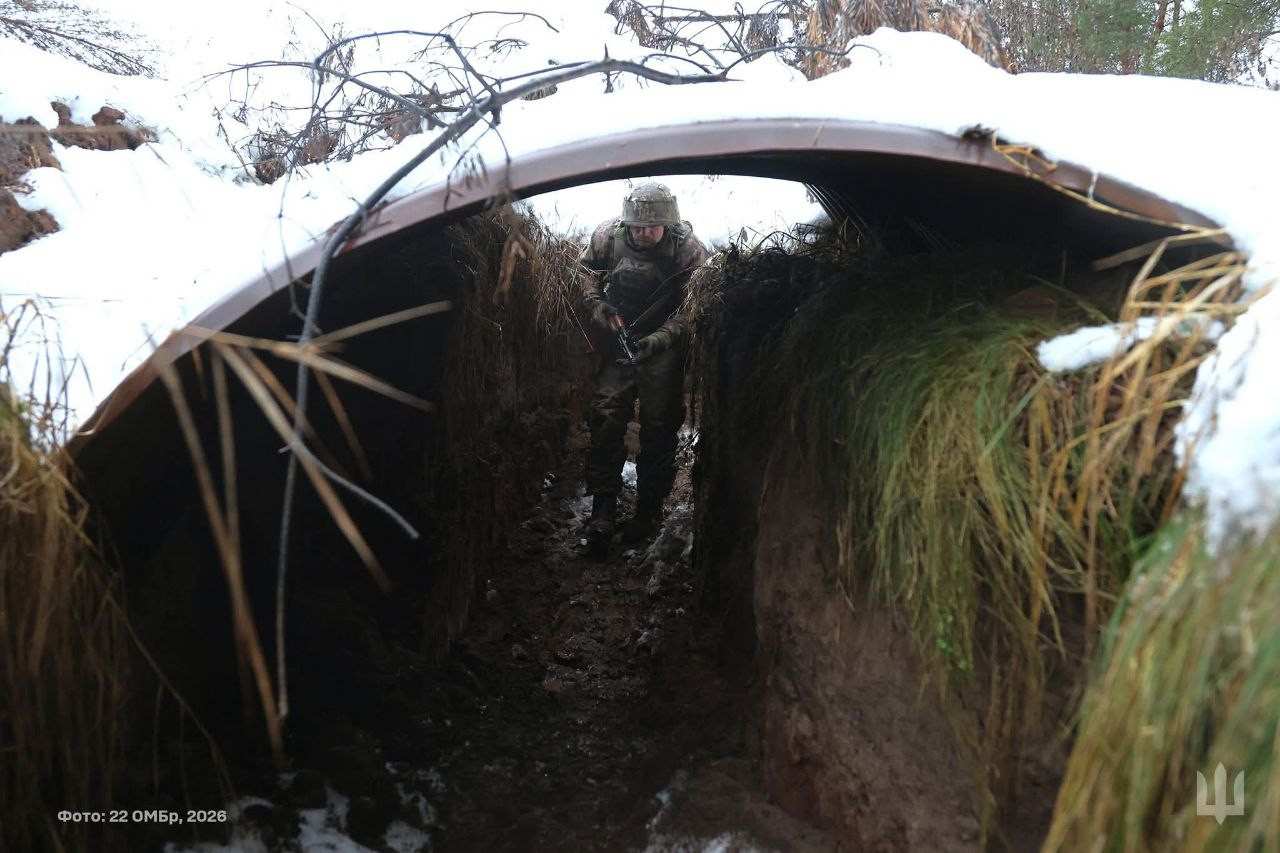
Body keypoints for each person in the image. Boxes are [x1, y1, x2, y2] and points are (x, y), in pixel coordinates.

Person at [577, 182, 709, 557]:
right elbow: (585, 272)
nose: (645, 233)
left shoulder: (687, 250)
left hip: (661, 348)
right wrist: (597, 305)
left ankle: (648, 512)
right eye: (638, 228)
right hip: (620, 337)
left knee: (660, 426)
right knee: (604, 416)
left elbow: (693, 304)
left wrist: (663, 338)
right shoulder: (607, 236)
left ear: (668, 224)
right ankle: (602, 508)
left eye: (653, 228)